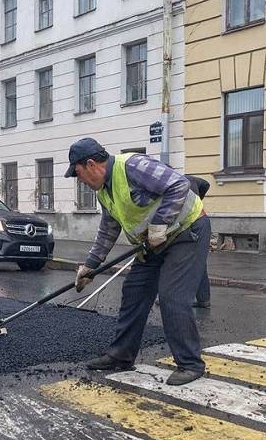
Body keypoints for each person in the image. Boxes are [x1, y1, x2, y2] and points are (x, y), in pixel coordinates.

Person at [67, 138, 210, 386]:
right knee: (134, 290)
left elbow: (178, 185)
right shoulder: (105, 191)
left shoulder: (133, 166)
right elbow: (108, 229)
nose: (79, 180)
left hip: (187, 231)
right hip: (153, 241)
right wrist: (91, 266)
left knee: (172, 295)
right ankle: (122, 354)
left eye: (78, 174)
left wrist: (159, 225)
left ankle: (190, 363)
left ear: (90, 164)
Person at [186, 175, 212, 308]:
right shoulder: (190, 179)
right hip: (199, 221)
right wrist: (199, 199)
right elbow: (206, 184)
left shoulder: (174, 183)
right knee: (199, 261)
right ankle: (203, 299)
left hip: (195, 222)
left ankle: (182, 300)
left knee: (192, 262)